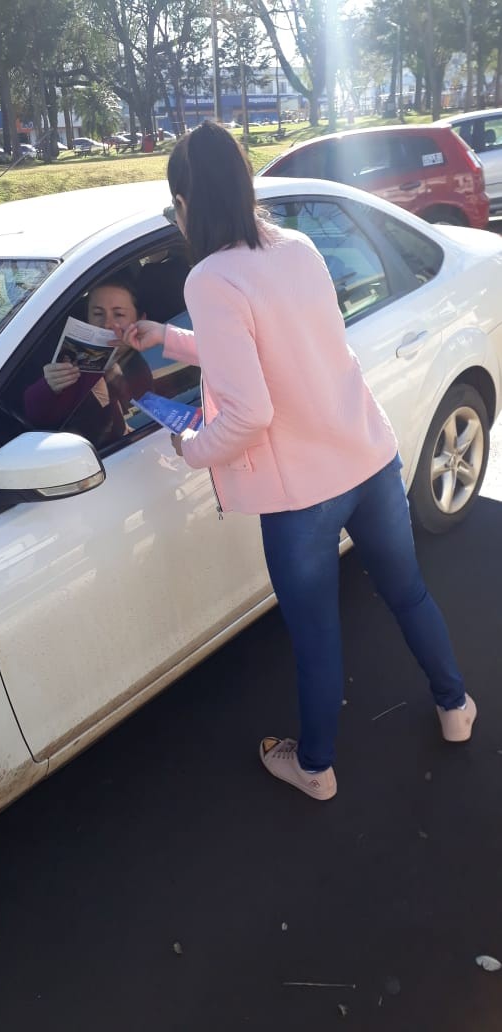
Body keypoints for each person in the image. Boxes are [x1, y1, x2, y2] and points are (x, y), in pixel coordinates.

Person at [123, 121, 477, 802]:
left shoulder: (210, 277)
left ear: (187, 203)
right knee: (408, 594)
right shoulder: (299, 247)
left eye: (174, 207)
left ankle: (314, 768)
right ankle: (454, 705)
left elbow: (249, 412)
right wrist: (167, 337)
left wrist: (191, 449)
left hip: (301, 499)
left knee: (317, 640)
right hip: (367, 457)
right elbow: (277, 346)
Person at [24, 276, 153, 445]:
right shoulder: (75, 364)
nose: (107, 324)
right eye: (98, 314)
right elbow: (38, 419)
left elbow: (152, 415)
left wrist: (117, 379)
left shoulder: (154, 356)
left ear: (140, 320)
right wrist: (49, 387)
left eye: (119, 314)